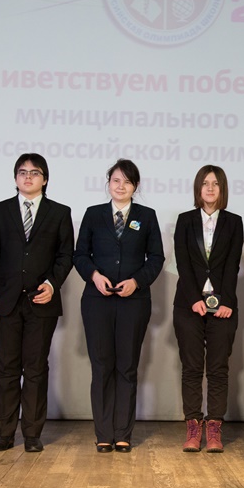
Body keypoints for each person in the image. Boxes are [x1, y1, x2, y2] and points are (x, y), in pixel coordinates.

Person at [0, 153, 74, 453]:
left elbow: (65, 256)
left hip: (41, 301)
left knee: (35, 369)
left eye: (35, 173)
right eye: (22, 172)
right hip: (5, 303)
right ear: (15, 178)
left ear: (44, 179)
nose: (28, 177)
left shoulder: (59, 212)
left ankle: (32, 434)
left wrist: (52, 284)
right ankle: (4, 433)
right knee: (6, 369)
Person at [74, 159, 164, 452]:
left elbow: (156, 258)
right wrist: (94, 276)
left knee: (127, 367)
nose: (121, 186)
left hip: (133, 302)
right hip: (97, 301)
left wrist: (137, 281)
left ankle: (123, 432)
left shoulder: (147, 216)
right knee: (101, 367)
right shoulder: (94, 214)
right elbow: (80, 255)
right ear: (108, 183)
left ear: (135, 186)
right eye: (116, 180)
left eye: (127, 181)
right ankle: (103, 433)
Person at [173, 165, 243, 453]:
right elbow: (183, 263)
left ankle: (214, 428)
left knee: (217, 369)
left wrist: (226, 301)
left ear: (222, 188)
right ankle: (193, 427)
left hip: (223, 307)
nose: (210, 188)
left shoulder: (234, 222)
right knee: (191, 368)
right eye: (205, 183)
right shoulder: (185, 220)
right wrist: (194, 298)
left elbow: (232, 265)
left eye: (215, 183)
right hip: (189, 305)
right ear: (197, 188)